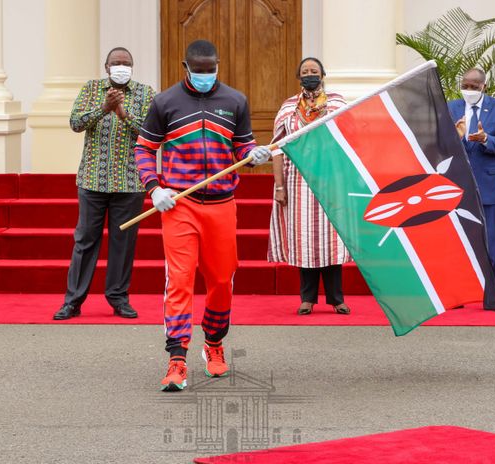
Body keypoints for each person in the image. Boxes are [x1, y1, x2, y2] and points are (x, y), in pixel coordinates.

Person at [135, 39, 271, 391]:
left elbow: (243, 145)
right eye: (199, 71)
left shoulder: (235, 100)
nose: (206, 76)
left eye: (211, 70)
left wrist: (256, 153)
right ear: (186, 68)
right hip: (179, 205)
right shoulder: (165, 102)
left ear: (218, 66)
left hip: (223, 206)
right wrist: (154, 188)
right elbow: (145, 149)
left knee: (223, 280)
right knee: (179, 282)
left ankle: (213, 343)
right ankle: (176, 359)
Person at [53, 47, 155, 321]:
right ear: (106, 66)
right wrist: (103, 108)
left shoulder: (146, 93)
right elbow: (75, 122)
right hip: (92, 180)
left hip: (130, 181)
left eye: (126, 63)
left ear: (132, 67)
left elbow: (152, 131)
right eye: (116, 63)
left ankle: (119, 299)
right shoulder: (91, 89)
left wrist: (123, 114)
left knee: (123, 243)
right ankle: (73, 301)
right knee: (85, 240)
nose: (121, 67)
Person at [267, 57, 351, 316]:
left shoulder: (337, 104)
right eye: (305, 71)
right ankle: (307, 299)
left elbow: (349, 140)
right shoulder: (289, 107)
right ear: (299, 76)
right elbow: (277, 148)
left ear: (323, 74)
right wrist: (279, 186)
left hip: (330, 180)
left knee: (331, 240)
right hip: (297, 182)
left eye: (314, 71)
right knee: (304, 239)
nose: (310, 74)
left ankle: (337, 299)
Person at [448, 68, 495, 285]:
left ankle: (493, 289)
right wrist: (456, 138)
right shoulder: (451, 107)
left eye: (474, 87)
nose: (469, 90)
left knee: (492, 239)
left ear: (484, 86)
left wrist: (486, 139)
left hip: (489, 184)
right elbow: (439, 147)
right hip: (457, 183)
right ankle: (460, 288)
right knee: (458, 239)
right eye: (465, 86)